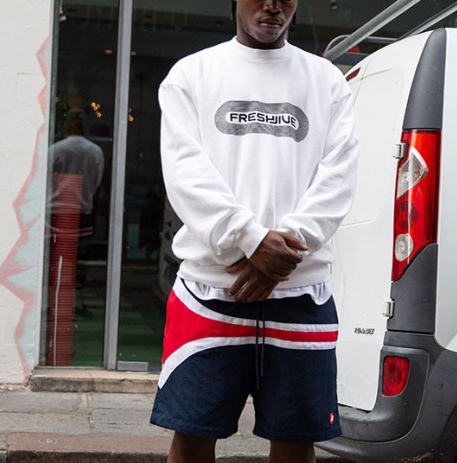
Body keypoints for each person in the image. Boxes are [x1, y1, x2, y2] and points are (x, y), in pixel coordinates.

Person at [150, 0, 358, 462]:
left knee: (296, 443)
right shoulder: (191, 75)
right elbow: (185, 174)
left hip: (301, 294)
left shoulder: (327, 80)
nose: (272, 5)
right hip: (210, 291)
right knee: (192, 438)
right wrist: (251, 239)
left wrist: (279, 254)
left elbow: (339, 177)